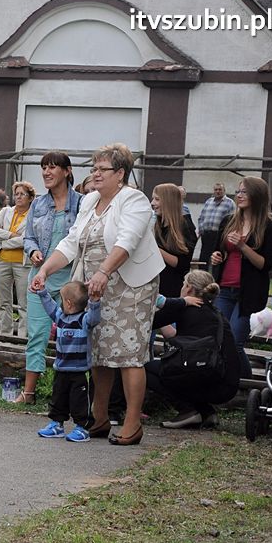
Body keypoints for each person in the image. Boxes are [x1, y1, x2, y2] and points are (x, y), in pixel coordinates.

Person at [32, 143, 165, 446]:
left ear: (120, 174)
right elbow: (71, 241)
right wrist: (45, 271)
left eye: (103, 169)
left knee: (129, 354)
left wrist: (104, 272)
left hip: (130, 286)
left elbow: (127, 240)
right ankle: (99, 416)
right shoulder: (90, 199)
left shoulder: (134, 200)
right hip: (93, 286)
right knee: (99, 352)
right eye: (94, 168)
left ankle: (132, 422)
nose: (95, 174)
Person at [20, 151, 83, 404]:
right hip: (40, 278)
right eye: (44, 167)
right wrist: (33, 250)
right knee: (36, 334)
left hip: (72, 280)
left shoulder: (82, 203)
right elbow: (28, 237)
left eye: (52, 167)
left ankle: (72, 394)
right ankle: (29, 393)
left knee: (74, 337)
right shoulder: (38, 204)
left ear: (67, 171)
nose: (46, 172)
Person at [147, 270, 240, 429]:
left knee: (145, 368)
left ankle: (187, 410)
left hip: (205, 378)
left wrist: (172, 304)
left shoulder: (185, 308)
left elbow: (148, 322)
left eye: (184, 284)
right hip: (227, 383)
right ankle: (206, 412)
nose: (181, 287)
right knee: (191, 366)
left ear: (189, 288)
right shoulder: (217, 313)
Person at [210, 176, 272, 378]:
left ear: (257, 196)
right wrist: (216, 257)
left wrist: (242, 245)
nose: (239, 196)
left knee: (234, 341)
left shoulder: (270, 228)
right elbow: (218, 250)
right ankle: (229, 381)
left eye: (244, 192)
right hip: (224, 288)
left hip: (248, 292)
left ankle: (245, 381)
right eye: (238, 191)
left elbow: (264, 264)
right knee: (220, 338)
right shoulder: (228, 221)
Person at [35, 281, 101, 442]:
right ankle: (56, 424)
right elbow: (50, 307)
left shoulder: (84, 320)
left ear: (69, 303)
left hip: (80, 372)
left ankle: (82, 427)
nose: (60, 303)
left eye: (62, 300)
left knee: (80, 401)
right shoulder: (61, 317)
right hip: (61, 369)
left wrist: (94, 302)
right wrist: (42, 292)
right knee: (58, 398)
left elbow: (95, 318)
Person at [0, 181, 34, 336]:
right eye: (16, 194)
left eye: (23, 194)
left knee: (24, 303)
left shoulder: (33, 215)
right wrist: (11, 235)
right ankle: (5, 335)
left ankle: (22, 337)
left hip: (23, 263)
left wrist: (4, 242)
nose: (19, 197)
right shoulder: (5, 211)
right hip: (2, 261)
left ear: (30, 197)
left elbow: (27, 239)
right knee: (3, 302)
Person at [152, 183, 198, 297]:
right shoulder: (158, 225)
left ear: (168, 201)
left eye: (157, 199)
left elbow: (183, 264)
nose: (152, 203)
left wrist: (155, 248)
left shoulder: (184, 226)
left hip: (172, 290)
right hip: (155, 286)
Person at [196, 182, 235, 266]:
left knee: (216, 258)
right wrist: (201, 230)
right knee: (204, 258)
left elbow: (232, 221)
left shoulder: (230, 203)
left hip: (219, 236)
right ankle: (202, 273)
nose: (218, 191)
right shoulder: (208, 201)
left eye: (220, 189)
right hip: (206, 235)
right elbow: (201, 217)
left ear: (224, 190)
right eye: (216, 190)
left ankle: (214, 273)